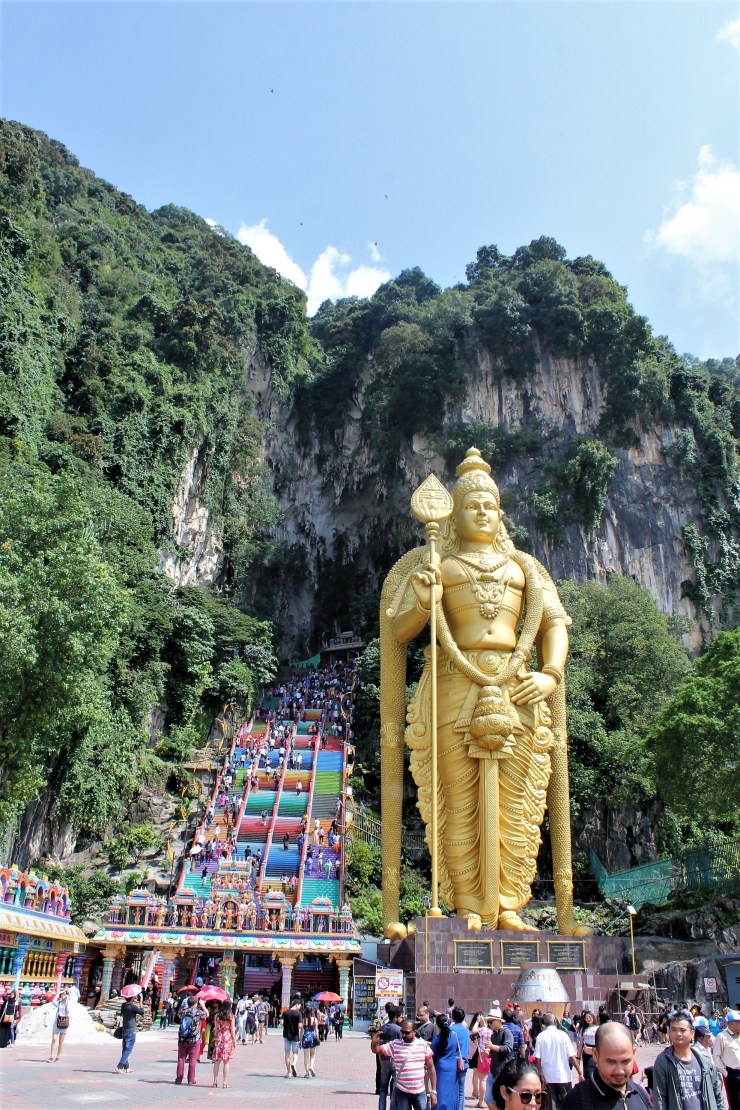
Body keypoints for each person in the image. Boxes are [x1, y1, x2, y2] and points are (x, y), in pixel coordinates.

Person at [380, 447, 587, 933]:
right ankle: (469, 906)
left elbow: (554, 624)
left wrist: (550, 673)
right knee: (459, 800)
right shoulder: (438, 565)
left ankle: (511, 905)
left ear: (500, 514)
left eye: (489, 505)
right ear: (454, 512)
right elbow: (399, 631)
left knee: (518, 803)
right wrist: (424, 601)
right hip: (455, 684)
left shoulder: (525, 569)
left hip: (518, 689)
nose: (481, 511)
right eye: (471, 503)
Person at [560, 1023, 651, 1110]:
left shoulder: (640, 1094)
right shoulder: (577, 1100)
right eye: (611, 1062)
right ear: (595, 1055)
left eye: (625, 1061)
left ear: (633, 1053)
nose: (619, 1071)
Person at [653, 1011, 726, 1110]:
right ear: (669, 1032)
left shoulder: (704, 1061)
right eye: (673, 1030)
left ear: (692, 1033)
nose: (678, 1034)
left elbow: (717, 1091)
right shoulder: (663, 1061)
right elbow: (660, 1098)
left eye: (683, 1030)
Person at [374, 1018, 438, 1110]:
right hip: (402, 1092)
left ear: (414, 1032)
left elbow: (431, 1067)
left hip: (420, 1091)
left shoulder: (423, 1045)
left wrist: (434, 1091)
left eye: (407, 1033)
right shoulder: (395, 1044)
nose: (404, 1035)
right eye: (402, 1032)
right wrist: (374, 1043)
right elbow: (376, 1050)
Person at [535, 1013, 582, 1110]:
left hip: (547, 1077)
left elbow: (537, 1058)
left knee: (551, 1106)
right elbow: (571, 1056)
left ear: (544, 1024)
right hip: (563, 1075)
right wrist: (579, 1072)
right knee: (567, 1104)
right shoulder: (563, 1035)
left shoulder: (540, 1036)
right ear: (555, 1022)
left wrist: (540, 1075)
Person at [373, 1005, 403, 1109]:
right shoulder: (399, 1030)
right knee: (394, 1089)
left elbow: (378, 1045)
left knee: (382, 1089)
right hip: (395, 1061)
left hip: (384, 1060)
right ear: (395, 1017)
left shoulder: (382, 1028)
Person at [484, 1009, 515, 1108]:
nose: (489, 1025)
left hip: (503, 1071)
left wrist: (493, 1047)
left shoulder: (507, 1033)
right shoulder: (493, 1036)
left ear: (498, 1021)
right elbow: (493, 1053)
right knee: (489, 1099)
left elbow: (508, 1048)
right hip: (493, 1071)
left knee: (500, 1101)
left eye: (490, 1022)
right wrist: (488, 1054)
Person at [175, 993, 208, 1085]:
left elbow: (178, 1015)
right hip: (194, 1037)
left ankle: (179, 1078)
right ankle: (191, 1079)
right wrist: (203, 1005)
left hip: (182, 1037)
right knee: (192, 1059)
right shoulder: (198, 1012)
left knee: (181, 1058)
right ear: (196, 1003)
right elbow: (207, 1014)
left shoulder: (183, 1011)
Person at [712, 1009, 740, 1110]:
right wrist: (726, 1073)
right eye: (738, 1022)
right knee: (735, 1103)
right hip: (732, 1073)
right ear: (730, 1024)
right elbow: (716, 1056)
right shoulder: (721, 1037)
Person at [115, 993, 144, 1073]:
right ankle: (119, 1066)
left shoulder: (123, 1006)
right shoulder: (132, 1007)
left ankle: (126, 1067)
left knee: (125, 1049)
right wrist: (141, 1001)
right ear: (132, 998)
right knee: (128, 1050)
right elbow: (142, 1012)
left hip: (124, 1030)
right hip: (131, 1031)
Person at [211, 999, 236, 1089]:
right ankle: (225, 1083)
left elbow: (216, 1029)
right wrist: (234, 1040)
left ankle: (214, 1082)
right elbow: (232, 1030)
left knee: (217, 1061)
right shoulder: (231, 1016)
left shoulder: (217, 1016)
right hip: (227, 1039)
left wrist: (215, 1038)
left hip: (219, 1038)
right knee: (226, 1062)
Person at [283, 994, 303, 1078]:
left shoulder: (285, 1012)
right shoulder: (298, 1014)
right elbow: (299, 1026)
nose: (300, 1007)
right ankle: (294, 1064)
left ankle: (288, 1072)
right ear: (297, 1005)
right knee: (295, 1052)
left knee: (287, 1053)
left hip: (286, 1034)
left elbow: (281, 1023)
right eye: (300, 1006)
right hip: (295, 1035)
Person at [49, 987, 71, 1062]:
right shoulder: (59, 1003)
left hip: (64, 1023)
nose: (63, 995)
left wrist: (67, 1001)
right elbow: (53, 1001)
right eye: (62, 994)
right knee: (54, 1039)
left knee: (61, 1041)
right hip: (57, 1022)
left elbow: (68, 1011)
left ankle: (58, 1057)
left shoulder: (68, 1004)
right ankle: (51, 1056)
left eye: (65, 994)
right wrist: (58, 993)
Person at [577, 1012, 598, 1080]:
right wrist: (578, 1058)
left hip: (597, 1052)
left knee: (598, 1073)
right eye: (586, 1018)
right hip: (587, 1054)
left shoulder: (599, 1028)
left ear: (593, 1017)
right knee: (589, 1074)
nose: (588, 1019)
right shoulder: (583, 1030)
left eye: (589, 1017)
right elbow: (581, 1045)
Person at [302, 1004, 319, 1076]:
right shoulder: (315, 1020)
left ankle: (306, 1072)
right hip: (312, 1038)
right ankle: (311, 1066)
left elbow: (301, 1032)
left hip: (305, 1038)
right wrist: (317, 1038)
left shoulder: (303, 1020)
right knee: (312, 1055)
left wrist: (300, 1040)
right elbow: (316, 1030)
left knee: (306, 1056)